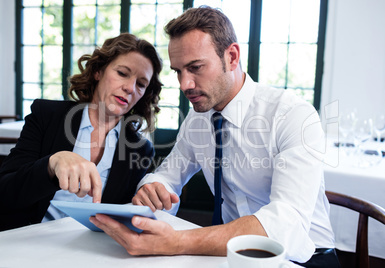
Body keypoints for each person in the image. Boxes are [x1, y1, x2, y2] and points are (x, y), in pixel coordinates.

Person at [90, 7, 340, 267]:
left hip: (302, 258)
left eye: (195, 67)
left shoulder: (292, 115)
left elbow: (285, 224)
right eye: (178, 71)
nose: (184, 84)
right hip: (227, 256)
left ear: (231, 57)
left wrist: (177, 241)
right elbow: (169, 175)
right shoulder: (198, 119)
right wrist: (153, 188)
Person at [0, 33, 163, 231]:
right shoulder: (47, 116)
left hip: (92, 251)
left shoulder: (141, 150)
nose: (130, 88)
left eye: (141, 84)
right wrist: (51, 165)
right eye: (122, 73)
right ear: (98, 72)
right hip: (31, 242)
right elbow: (5, 192)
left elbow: (127, 217)